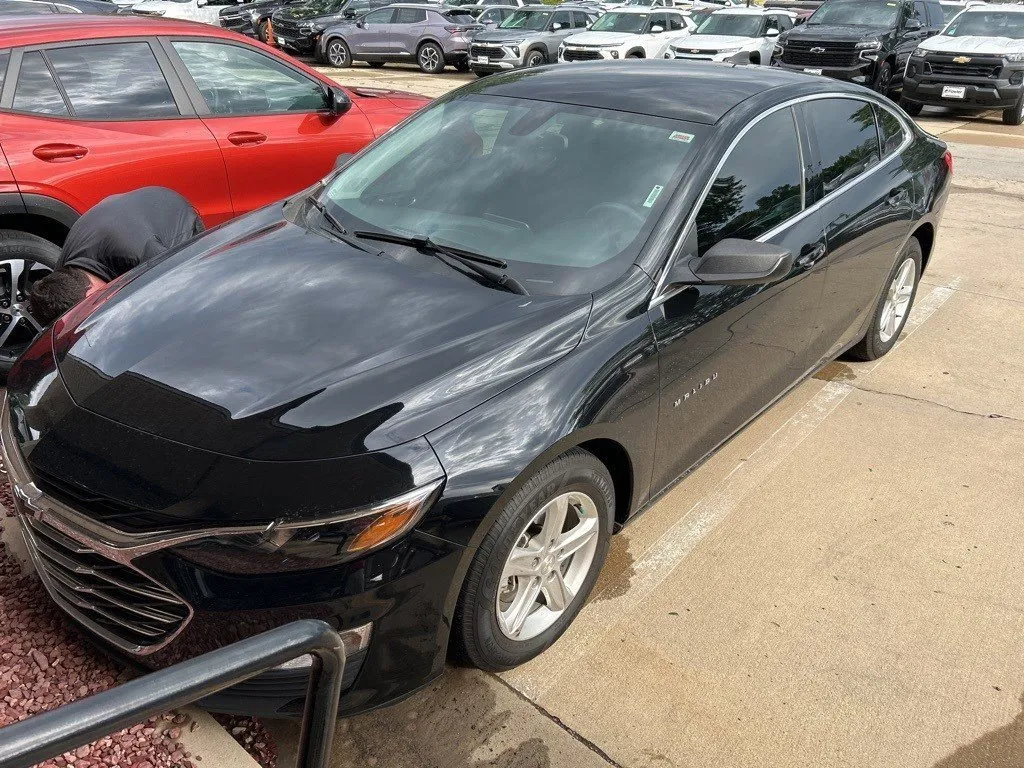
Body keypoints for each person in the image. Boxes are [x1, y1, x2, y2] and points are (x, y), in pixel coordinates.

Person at [28, 187, 204, 327]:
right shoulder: (62, 277)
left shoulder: (139, 251)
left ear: (90, 293)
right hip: (118, 215)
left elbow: (181, 288)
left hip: (171, 214)